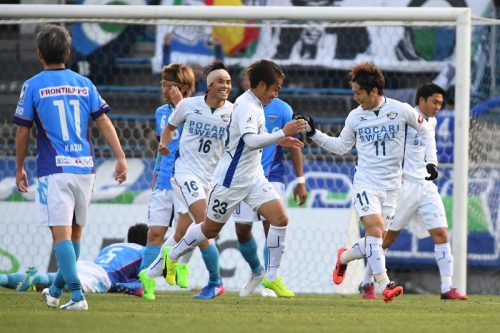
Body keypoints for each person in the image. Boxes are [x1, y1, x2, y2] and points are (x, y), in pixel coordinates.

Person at [161, 59, 307, 298]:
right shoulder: (247, 106)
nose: (276, 93)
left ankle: (271, 276)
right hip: (231, 181)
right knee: (208, 230)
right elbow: (249, 141)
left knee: (280, 218)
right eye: (274, 88)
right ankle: (173, 255)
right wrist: (283, 132)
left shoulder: (258, 103)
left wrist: (280, 139)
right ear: (261, 85)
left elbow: (252, 138)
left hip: (254, 178)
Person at [300, 62, 439, 303]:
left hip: (392, 185)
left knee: (376, 239)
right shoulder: (355, 117)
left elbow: (425, 130)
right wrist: (315, 134)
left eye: (358, 92)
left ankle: (343, 258)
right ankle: (385, 284)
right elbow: (342, 147)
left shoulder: (400, 110)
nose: (355, 98)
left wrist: (431, 161)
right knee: (374, 230)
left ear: (373, 91)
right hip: (365, 181)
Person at [13, 24, 128, 311]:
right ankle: (54, 292)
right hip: (85, 168)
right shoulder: (84, 83)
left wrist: (19, 167)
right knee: (76, 234)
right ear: (68, 52)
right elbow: (103, 121)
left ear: (39, 53)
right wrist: (120, 156)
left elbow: (23, 131)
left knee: (60, 236)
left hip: (55, 170)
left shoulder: (33, 85)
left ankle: (77, 296)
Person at [358, 83, 467, 301]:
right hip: (403, 185)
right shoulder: (405, 118)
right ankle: (367, 281)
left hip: (426, 186)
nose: (438, 107)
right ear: (421, 100)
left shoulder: (432, 122)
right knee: (385, 240)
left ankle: (447, 287)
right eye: (434, 102)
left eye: (441, 104)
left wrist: (431, 163)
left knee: (441, 233)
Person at [139, 60, 233, 300]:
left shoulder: (230, 112)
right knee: (204, 225)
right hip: (180, 176)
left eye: (169, 84)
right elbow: (169, 132)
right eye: (221, 81)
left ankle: (150, 275)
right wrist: (160, 155)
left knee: (183, 231)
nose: (165, 88)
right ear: (210, 85)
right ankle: (215, 281)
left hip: (208, 178)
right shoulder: (180, 109)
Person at [232, 72, 308, 298]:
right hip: (243, 176)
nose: (275, 92)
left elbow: (294, 145)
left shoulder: (283, 109)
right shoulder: (240, 106)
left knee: (273, 225)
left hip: (272, 175)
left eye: (278, 88)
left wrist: (300, 181)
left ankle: (269, 282)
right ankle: (257, 271)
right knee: (242, 230)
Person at [137, 63, 196, 301]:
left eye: (169, 84)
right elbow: (164, 145)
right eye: (162, 83)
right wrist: (156, 169)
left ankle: (214, 280)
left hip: (188, 180)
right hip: (163, 179)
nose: (164, 88)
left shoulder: (195, 110)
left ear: (183, 87)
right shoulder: (161, 112)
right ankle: (142, 284)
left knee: (192, 233)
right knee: (155, 233)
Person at [1, 223, 149, 297]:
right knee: (70, 286)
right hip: (101, 276)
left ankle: (5, 278)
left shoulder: (114, 246)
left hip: (87, 265)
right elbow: (140, 283)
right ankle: (35, 279)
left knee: (56, 277)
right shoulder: (144, 252)